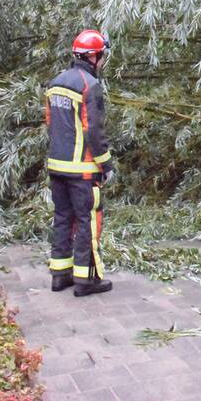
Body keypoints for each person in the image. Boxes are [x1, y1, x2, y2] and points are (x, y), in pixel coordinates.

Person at [45, 29, 116, 297]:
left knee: (62, 218)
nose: (102, 62)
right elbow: (94, 132)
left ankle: (59, 275)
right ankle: (86, 280)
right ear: (93, 57)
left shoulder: (55, 83)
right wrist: (106, 165)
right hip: (83, 170)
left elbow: (50, 123)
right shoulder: (90, 86)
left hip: (57, 165)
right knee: (87, 221)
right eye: (102, 56)